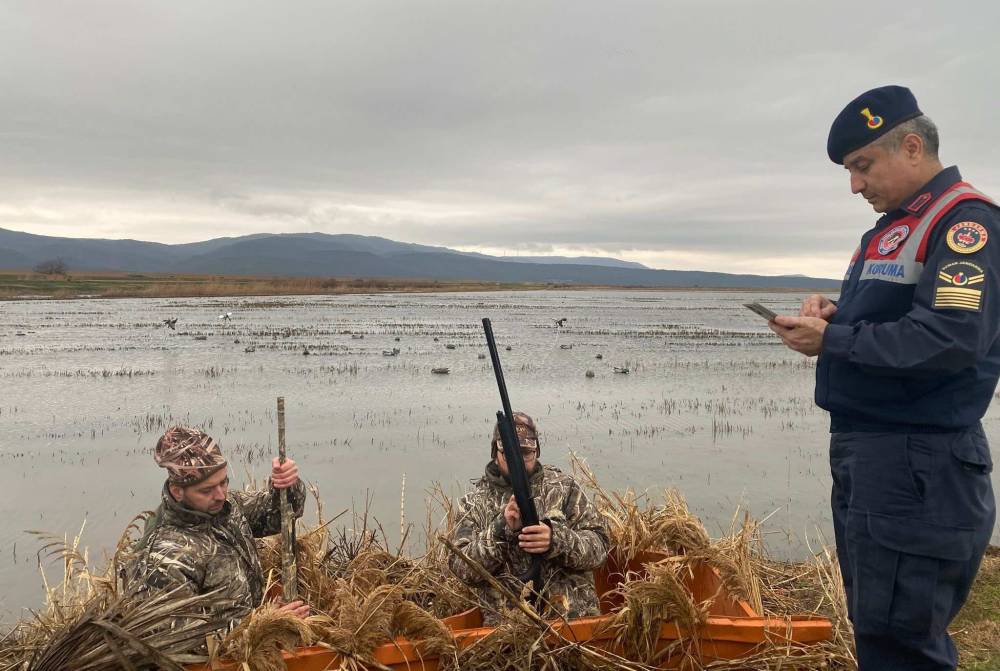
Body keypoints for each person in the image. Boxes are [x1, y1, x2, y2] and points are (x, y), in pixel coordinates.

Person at [770, 85, 997, 670]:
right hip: (877, 457)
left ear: (913, 147)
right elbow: (896, 323)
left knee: (903, 642)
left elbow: (950, 339)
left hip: (916, 462)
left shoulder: (965, 224)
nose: (855, 185)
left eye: (862, 166)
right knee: (878, 625)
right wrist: (837, 318)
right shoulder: (897, 226)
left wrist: (834, 340)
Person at [127, 426, 310, 642]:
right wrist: (265, 624)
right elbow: (177, 642)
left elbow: (280, 514)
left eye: (224, 482)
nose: (220, 495)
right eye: (207, 490)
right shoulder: (164, 557)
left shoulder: (228, 508)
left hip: (257, 649)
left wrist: (286, 484)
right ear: (177, 491)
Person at [448, 411, 610, 624]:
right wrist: (500, 530)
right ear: (495, 452)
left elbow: (601, 548)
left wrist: (556, 540)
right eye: (510, 453)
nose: (519, 461)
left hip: (575, 627)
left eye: (526, 453)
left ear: (537, 450)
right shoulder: (473, 503)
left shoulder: (564, 488)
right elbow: (462, 570)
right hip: (509, 635)